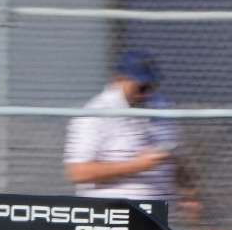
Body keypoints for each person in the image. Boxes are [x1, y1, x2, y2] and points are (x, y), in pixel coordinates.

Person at [64, 50, 182, 205]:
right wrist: (137, 166)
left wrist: (189, 192)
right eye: (142, 88)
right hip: (115, 215)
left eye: (153, 87)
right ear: (119, 79)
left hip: (160, 215)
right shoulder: (96, 114)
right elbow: (78, 172)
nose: (147, 94)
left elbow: (177, 155)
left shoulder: (159, 106)